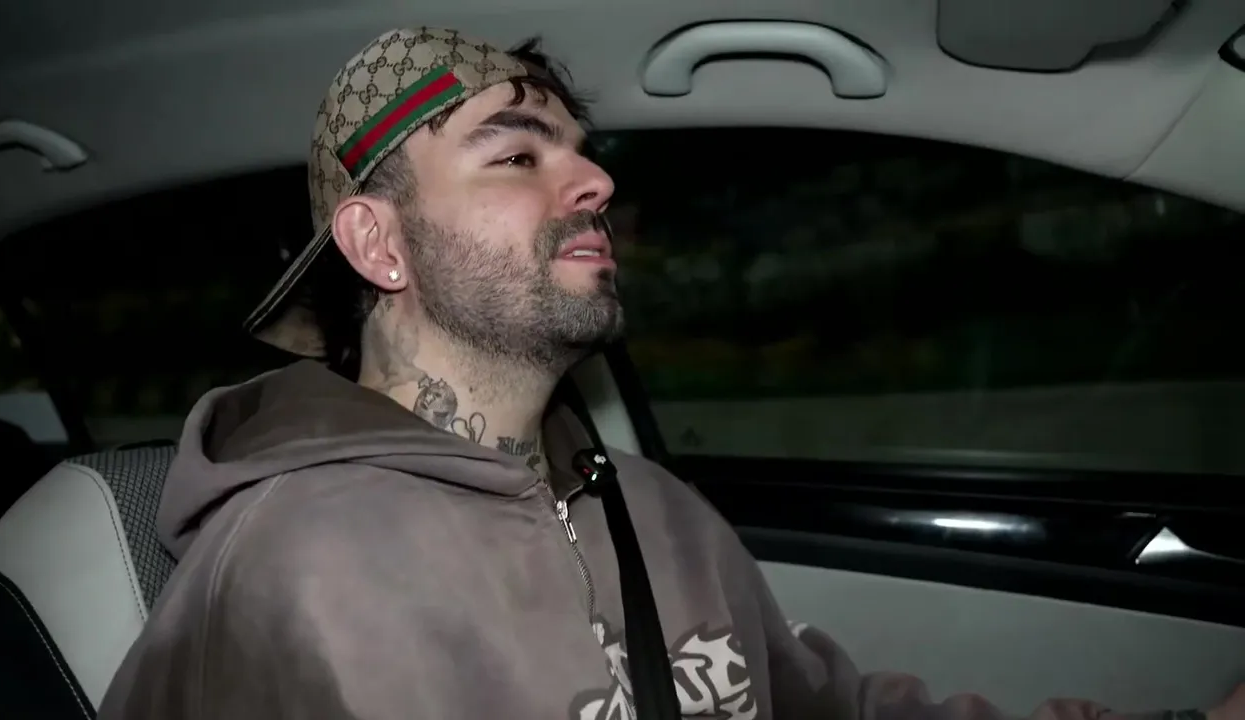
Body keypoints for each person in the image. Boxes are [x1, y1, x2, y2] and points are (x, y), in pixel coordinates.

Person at [97, 26, 1242, 720]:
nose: (593, 181)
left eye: (581, 152)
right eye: (516, 154)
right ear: (378, 244)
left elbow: (831, 711)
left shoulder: (650, 508)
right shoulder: (292, 569)